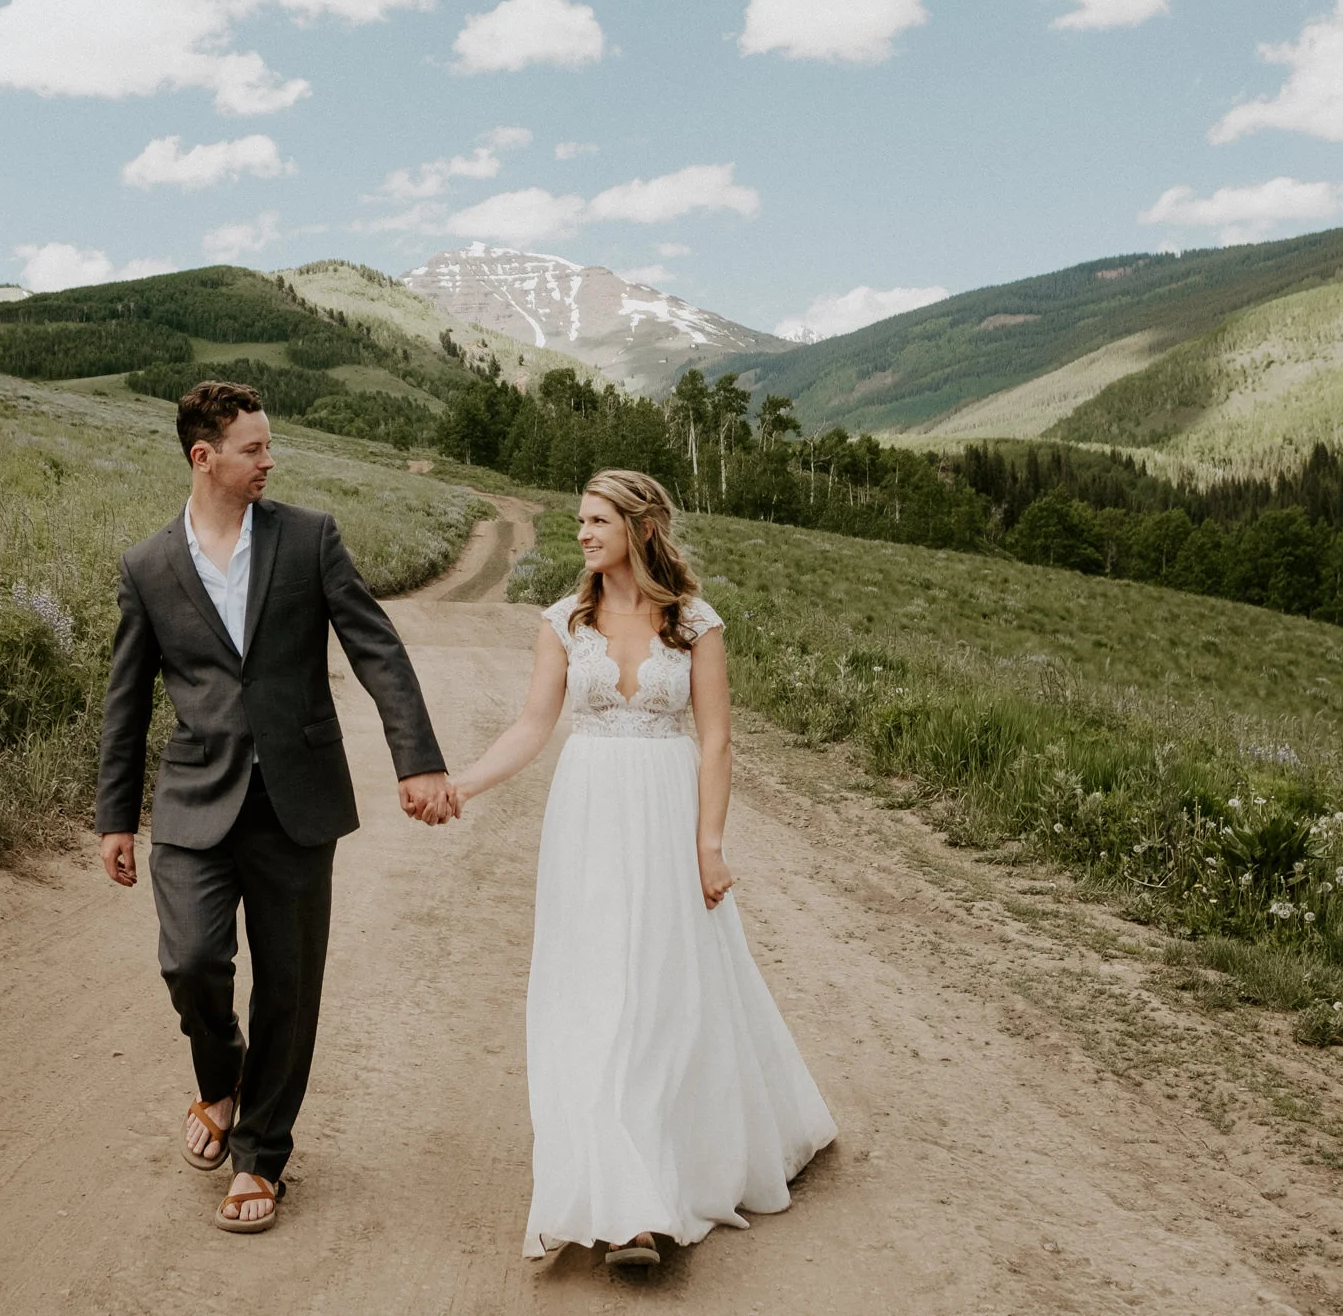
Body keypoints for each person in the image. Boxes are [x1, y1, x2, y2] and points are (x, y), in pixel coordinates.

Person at [97, 380, 460, 1234]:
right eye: (253, 448)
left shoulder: (309, 538)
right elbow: (126, 697)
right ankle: (220, 1081)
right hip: (193, 799)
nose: (269, 459)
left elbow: (377, 647)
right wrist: (115, 815)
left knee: (289, 988)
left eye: (269, 445)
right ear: (205, 457)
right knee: (191, 963)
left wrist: (417, 760)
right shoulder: (149, 566)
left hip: (298, 800)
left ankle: (261, 1156)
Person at [450, 468, 835, 1270]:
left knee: (663, 997)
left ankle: (656, 1188)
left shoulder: (694, 623)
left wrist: (709, 846)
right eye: (579, 521)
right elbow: (531, 726)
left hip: (664, 816)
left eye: (597, 521)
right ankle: (617, 1203)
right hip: (587, 817)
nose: (583, 533)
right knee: (594, 1000)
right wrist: (464, 785)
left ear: (640, 527)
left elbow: (718, 740)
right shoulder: (562, 621)